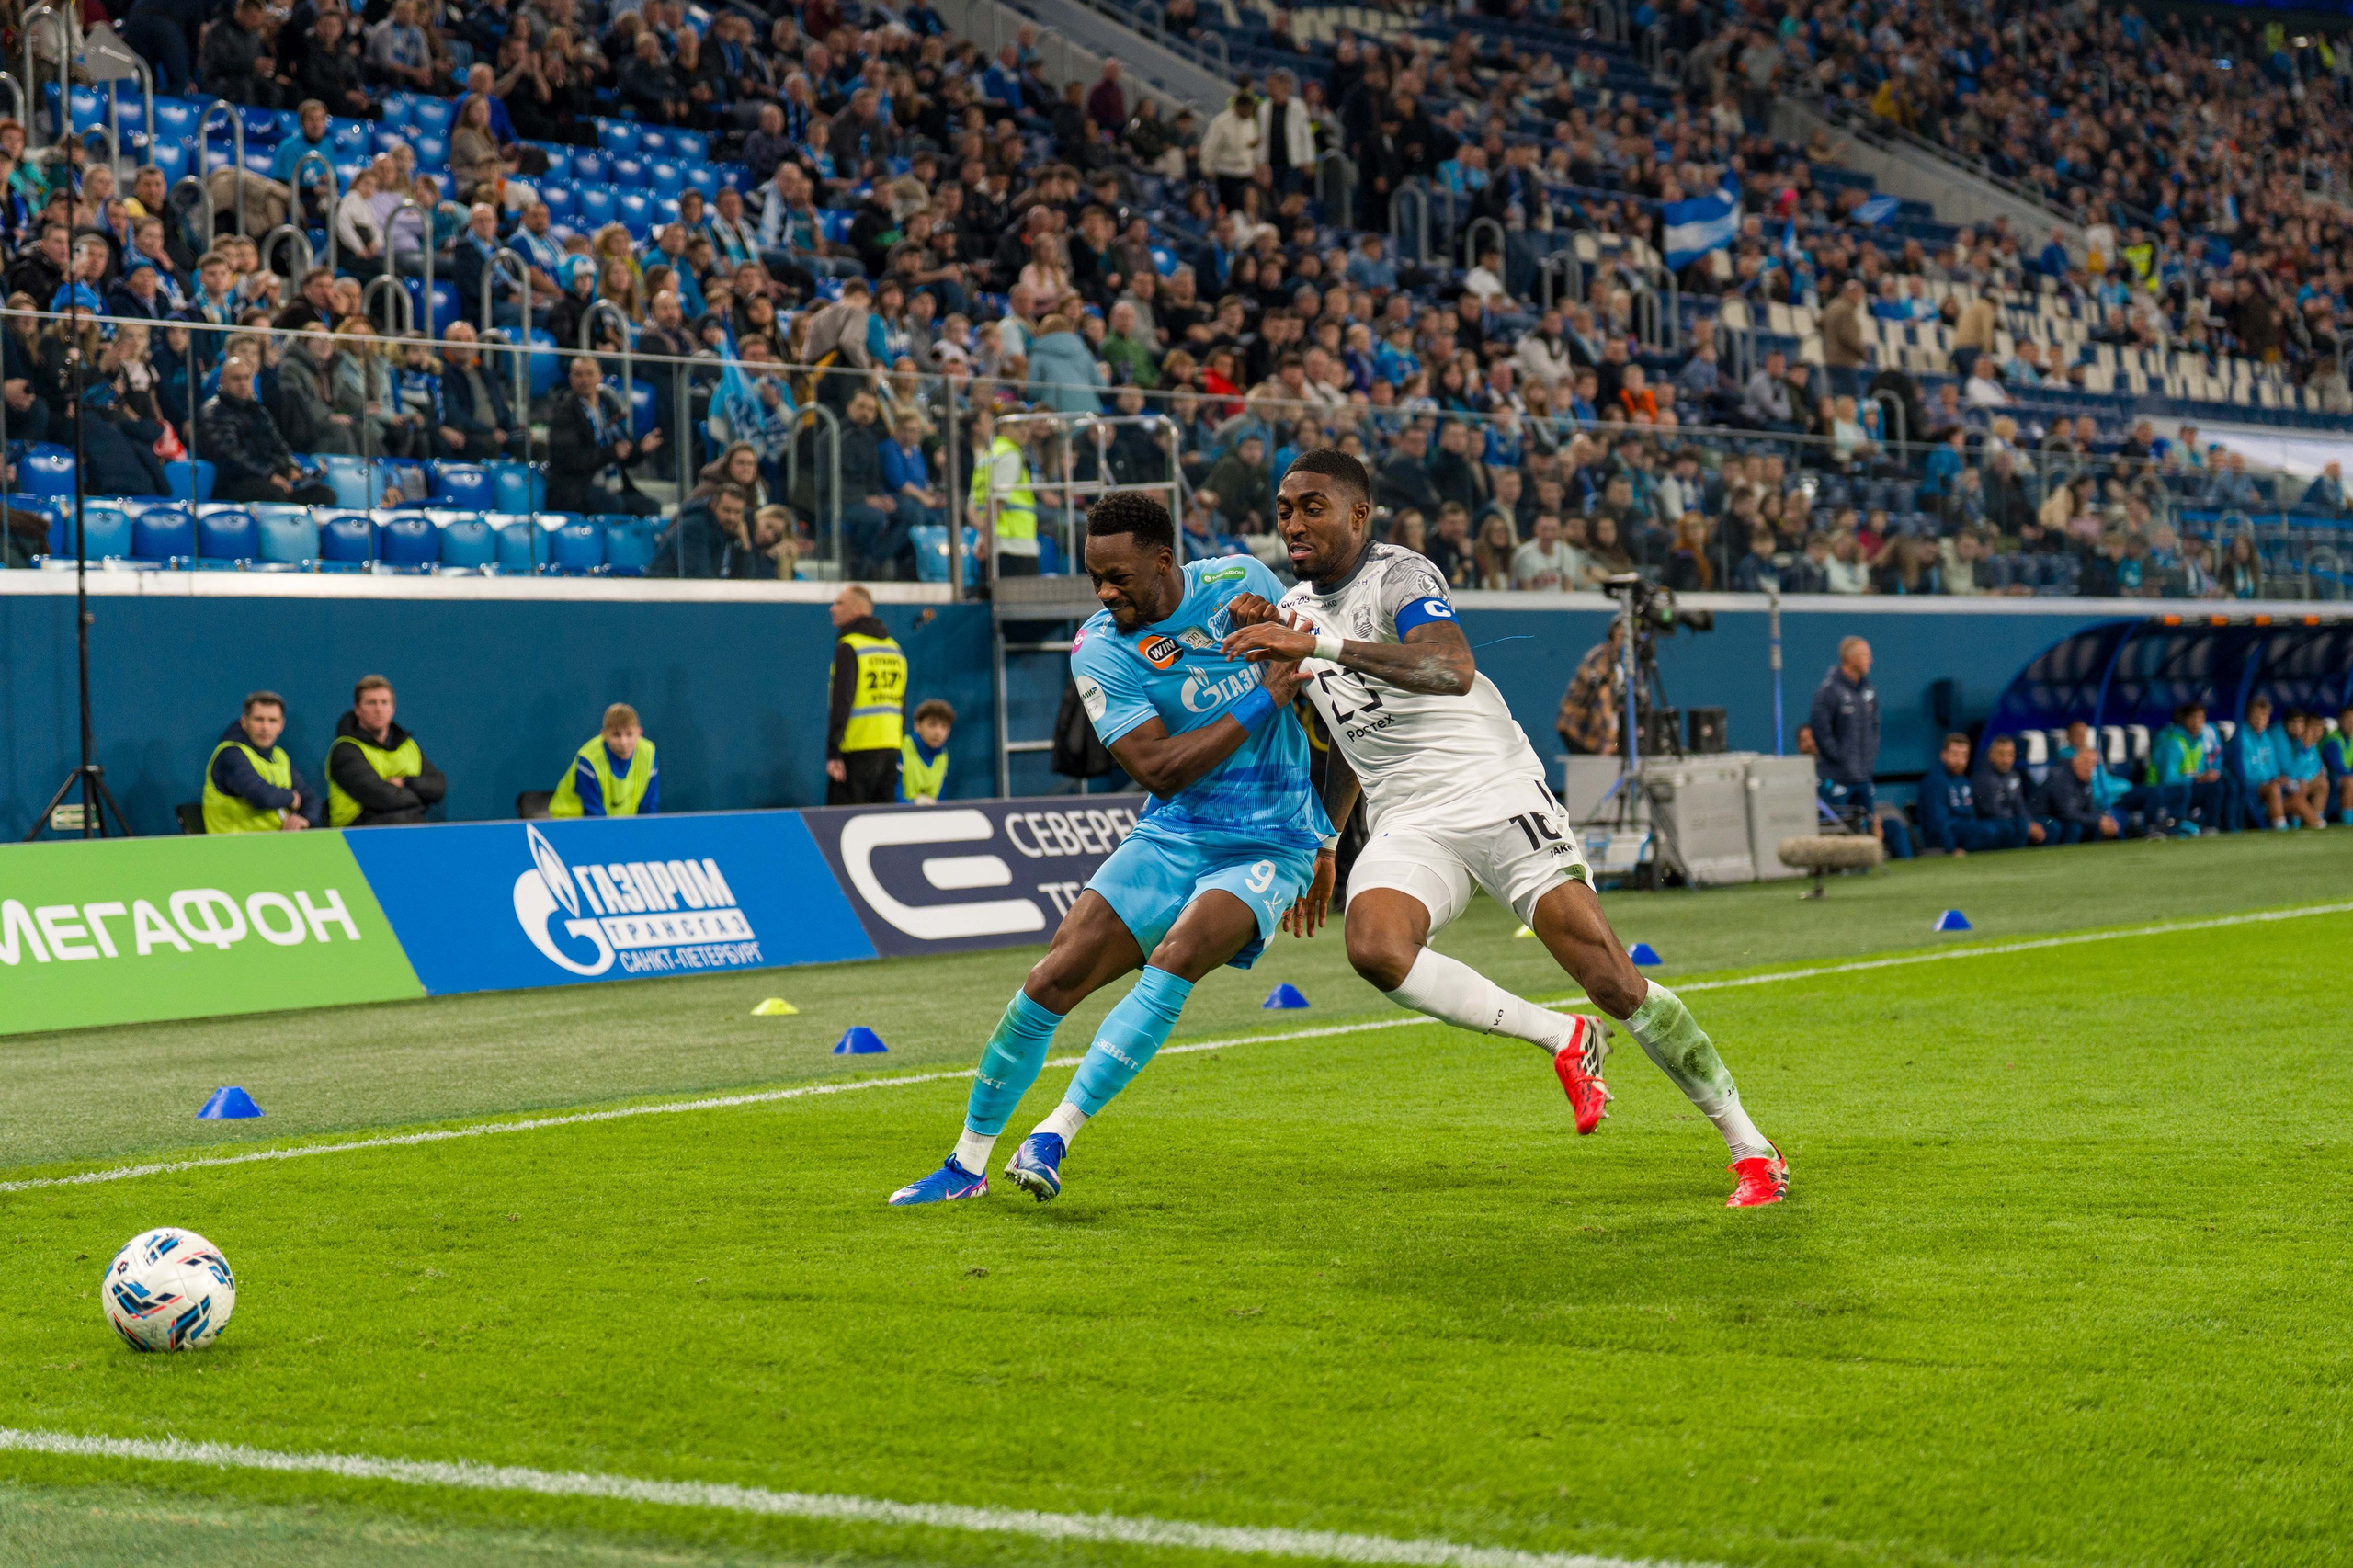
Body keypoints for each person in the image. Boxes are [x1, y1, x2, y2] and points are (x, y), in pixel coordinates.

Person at [1219, 450, 1786, 1207]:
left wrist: (1316, 645)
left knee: (1613, 980)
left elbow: (1449, 669)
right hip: (1408, 817)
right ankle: (1563, 1037)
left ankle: (1750, 1146)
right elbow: (1352, 738)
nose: (1293, 522)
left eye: (1312, 506)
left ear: (1359, 515)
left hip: (1492, 789)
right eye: (1285, 509)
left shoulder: (1401, 576)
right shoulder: (1293, 609)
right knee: (1376, 950)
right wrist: (1325, 841)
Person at [889, 493, 1330, 1206]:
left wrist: (1278, 625)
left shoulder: (1245, 581)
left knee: (1178, 954)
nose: (1104, 591)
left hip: (1273, 839)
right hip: (1175, 830)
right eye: (1096, 575)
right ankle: (966, 1164)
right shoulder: (1099, 646)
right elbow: (1158, 769)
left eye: (1119, 576)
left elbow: (1333, 695)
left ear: (1164, 563)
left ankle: (1055, 1133)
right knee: (1052, 979)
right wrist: (1260, 699)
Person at [1806, 636, 1909, 857]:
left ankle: (1865, 867)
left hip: (1863, 775)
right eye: (1865, 655)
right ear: (1850, 659)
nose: (1870, 660)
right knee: (1836, 830)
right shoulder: (1829, 691)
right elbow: (1820, 730)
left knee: (1868, 826)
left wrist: (1869, 757)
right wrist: (1839, 758)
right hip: (1837, 776)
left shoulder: (1868, 690)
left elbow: (1874, 727)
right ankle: (1836, 870)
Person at [199, 355, 337, 504]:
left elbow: (279, 445)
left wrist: (290, 467)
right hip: (235, 482)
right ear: (222, 382)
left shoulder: (259, 411)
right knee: (275, 494)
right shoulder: (214, 412)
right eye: (236, 379)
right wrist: (269, 475)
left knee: (324, 494)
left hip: (268, 476)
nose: (242, 383)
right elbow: (229, 456)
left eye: (247, 378)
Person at [325, 675, 447, 827]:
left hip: (412, 831)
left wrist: (405, 781)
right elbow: (380, 796)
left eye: (384, 703)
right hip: (357, 837)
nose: (379, 709)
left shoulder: (408, 746)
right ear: (357, 709)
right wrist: (421, 799)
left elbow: (437, 786)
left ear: (393, 708)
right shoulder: (345, 749)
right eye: (371, 703)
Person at [824, 585, 908, 805]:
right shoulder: (894, 649)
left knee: (843, 824)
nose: (832, 609)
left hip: (856, 751)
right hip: (890, 748)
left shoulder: (849, 646)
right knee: (883, 822)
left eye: (840, 603)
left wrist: (834, 753)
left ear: (858, 609)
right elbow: (902, 706)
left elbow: (842, 702)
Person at [547, 354, 661, 515]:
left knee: (651, 507)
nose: (584, 380)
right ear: (571, 379)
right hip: (577, 489)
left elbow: (624, 451)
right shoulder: (564, 413)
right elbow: (570, 459)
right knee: (613, 504)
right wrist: (611, 453)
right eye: (579, 375)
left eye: (589, 374)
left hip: (613, 484)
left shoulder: (607, 406)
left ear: (600, 377)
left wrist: (640, 449)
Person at [202, 690, 316, 833]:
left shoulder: (279, 756)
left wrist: (304, 818)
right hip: (235, 847)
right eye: (259, 719)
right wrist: (291, 797)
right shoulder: (230, 754)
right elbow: (261, 796)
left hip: (276, 843)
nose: (265, 728)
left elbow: (310, 797)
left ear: (281, 725)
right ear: (244, 722)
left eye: (272, 720)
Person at [1916, 733, 2024, 855]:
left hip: (1967, 830)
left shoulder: (1963, 781)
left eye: (1964, 756)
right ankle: (1964, 852)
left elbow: (1971, 816)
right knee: (1988, 830)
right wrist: (1951, 849)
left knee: (2005, 827)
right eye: (1955, 755)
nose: (1960, 761)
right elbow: (1938, 823)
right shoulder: (1935, 781)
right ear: (1943, 755)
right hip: (1946, 837)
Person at [550, 703, 659, 817]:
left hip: (616, 824)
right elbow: (593, 813)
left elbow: (649, 806)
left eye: (629, 734)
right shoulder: (588, 760)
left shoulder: (649, 752)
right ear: (604, 735)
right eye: (616, 735)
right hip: (570, 822)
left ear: (639, 733)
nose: (623, 742)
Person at [2034, 747, 2123, 845]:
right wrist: (2098, 820)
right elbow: (2066, 812)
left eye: (2093, 763)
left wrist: (2104, 819)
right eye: (2085, 761)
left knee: (2096, 824)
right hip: (2043, 817)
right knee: (2072, 827)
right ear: (2075, 760)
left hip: (2064, 818)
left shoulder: (2085, 779)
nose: (2089, 767)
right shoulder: (2061, 776)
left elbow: (2089, 809)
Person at [1970, 734, 2046, 846]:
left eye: (2010, 754)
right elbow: (1993, 812)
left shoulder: (2014, 775)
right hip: (1991, 823)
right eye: (2001, 754)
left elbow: (2019, 805)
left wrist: (2030, 822)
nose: (2006, 760)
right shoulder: (1982, 778)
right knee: (2016, 827)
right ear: (1990, 755)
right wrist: (2025, 825)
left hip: (2011, 821)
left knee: (2050, 827)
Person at [902, 698, 956, 804]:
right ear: (917, 726)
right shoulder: (901, 748)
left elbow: (940, 798)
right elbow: (891, 796)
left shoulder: (943, 756)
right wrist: (913, 804)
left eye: (944, 726)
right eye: (932, 724)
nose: (938, 732)